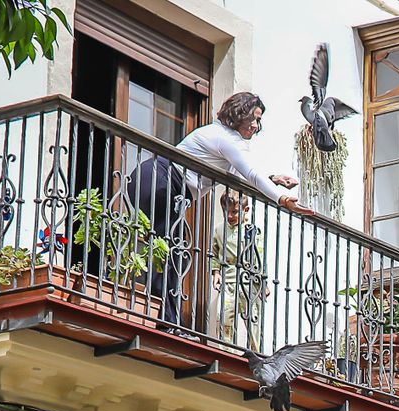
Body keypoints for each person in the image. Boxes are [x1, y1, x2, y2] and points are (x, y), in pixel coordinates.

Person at [126, 92, 309, 323]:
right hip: (160, 182)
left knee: (172, 250)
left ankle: (162, 316)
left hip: (159, 182)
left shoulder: (222, 137)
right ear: (239, 113)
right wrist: (281, 199)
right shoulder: (225, 138)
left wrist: (273, 179)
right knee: (170, 251)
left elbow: (238, 177)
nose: (256, 125)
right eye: (254, 117)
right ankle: (165, 321)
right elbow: (250, 174)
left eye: (259, 120)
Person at [209, 190, 266, 350]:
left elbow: (259, 256)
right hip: (228, 281)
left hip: (248, 282)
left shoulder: (252, 230)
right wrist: (216, 272)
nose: (230, 216)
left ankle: (256, 353)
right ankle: (226, 350)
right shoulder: (219, 230)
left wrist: (262, 282)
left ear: (245, 210)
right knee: (225, 316)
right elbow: (213, 253)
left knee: (252, 318)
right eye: (226, 211)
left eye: (234, 212)